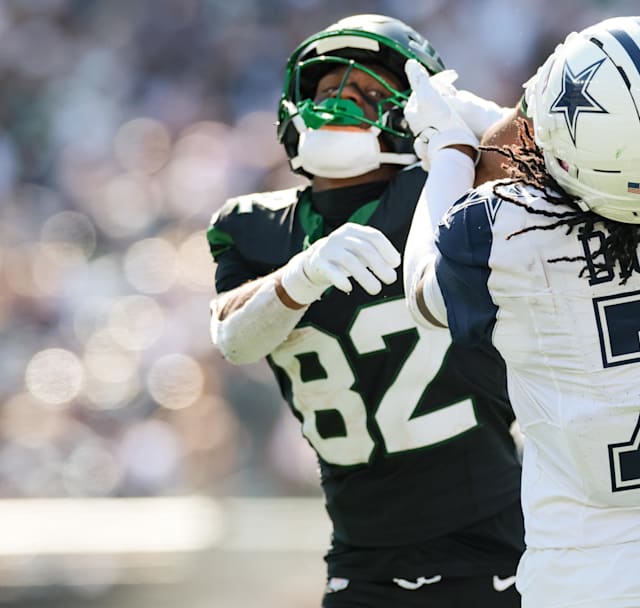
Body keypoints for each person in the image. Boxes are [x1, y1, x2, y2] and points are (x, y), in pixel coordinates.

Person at [401, 16, 640, 608]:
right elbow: (615, 170)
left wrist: (451, 150)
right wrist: (493, 120)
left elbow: (426, 290)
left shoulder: (505, 234)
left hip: (582, 585)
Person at [205, 14, 523, 608]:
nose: (342, 104)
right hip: (362, 555)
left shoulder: (442, 193)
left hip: (497, 538)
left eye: (370, 93)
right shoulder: (254, 228)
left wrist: (472, 121)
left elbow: (552, 167)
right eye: (329, 91)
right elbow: (232, 337)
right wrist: (301, 275)